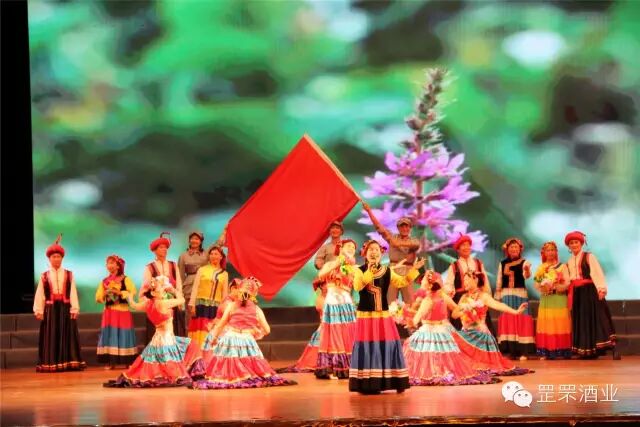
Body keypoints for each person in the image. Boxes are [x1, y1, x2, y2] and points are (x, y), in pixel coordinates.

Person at [191, 277, 297, 389]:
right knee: (252, 363)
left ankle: (234, 376)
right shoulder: (256, 309)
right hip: (247, 339)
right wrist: (256, 332)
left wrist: (214, 339)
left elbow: (221, 325)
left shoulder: (231, 306)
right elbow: (267, 330)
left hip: (230, 339)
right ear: (253, 294)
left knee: (227, 363)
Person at [349, 239, 424, 394]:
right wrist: (370, 270)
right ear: (365, 253)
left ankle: (391, 380)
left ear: (381, 253)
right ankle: (368, 383)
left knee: (388, 344)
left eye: (376, 250)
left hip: (383, 316)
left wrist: (414, 270)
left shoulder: (387, 271)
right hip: (366, 316)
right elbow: (358, 286)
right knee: (368, 347)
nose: (374, 252)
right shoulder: (359, 270)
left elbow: (402, 282)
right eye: (370, 250)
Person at [104, 278, 205, 387]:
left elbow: (134, 305)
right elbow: (182, 300)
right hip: (167, 340)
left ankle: (171, 374)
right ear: (153, 293)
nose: (164, 288)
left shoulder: (148, 304)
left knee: (163, 360)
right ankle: (175, 375)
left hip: (158, 339)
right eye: (161, 287)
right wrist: (174, 290)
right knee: (184, 351)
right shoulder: (163, 303)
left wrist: (129, 297)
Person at [404, 271, 497, 386]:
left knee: (430, 354)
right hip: (442, 330)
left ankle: (434, 373)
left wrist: (405, 318)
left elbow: (415, 320)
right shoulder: (442, 296)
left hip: (430, 330)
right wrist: (468, 309)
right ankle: (443, 372)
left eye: (423, 280)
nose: (421, 281)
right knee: (444, 354)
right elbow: (456, 309)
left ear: (430, 284)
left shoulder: (428, 300)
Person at [450, 270, 532, 376]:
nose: (464, 282)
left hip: (479, 334)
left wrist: (515, 311)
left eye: (467, 280)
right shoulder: (464, 297)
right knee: (452, 341)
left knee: (480, 367)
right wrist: (464, 309)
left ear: (475, 280)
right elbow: (454, 315)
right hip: (466, 332)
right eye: (464, 280)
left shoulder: (483, 296)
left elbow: (498, 305)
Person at [33, 235, 86, 372]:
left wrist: (75, 308)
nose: (56, 259)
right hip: (50, 309)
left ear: (62, 258)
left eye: (58, 257)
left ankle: (68, 362)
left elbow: (72, 292)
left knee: (67, 334)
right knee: (51, 335)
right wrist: (38, 310)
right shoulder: (44, 275)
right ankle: (52, 362)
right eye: (53, 257)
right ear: (49, 259)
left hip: (65, 308)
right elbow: (40, 294)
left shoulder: (69, 274)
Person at [564, 231, 618, 359]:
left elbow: (597, 272)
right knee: (582, 320)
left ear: (581, 243)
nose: (574, 245)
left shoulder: (589, 256)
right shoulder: (569, 261)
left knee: (597, 319)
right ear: (568, 246)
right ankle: (587, 351)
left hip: (589, 292)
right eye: (571, 243)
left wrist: (601, 289)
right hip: (577, 294)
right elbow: (569, 279)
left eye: (576, 242)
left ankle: (613, 348)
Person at [314, 239, 358, 379]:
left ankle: (350, 365)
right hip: (333, 300)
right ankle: (334, 366)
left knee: (348, 331)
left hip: (346, 302)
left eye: (353, 248)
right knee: (334, 331)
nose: (351, 249)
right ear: (341, 248)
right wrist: (338, 263)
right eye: (348, 246)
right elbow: (321, 275)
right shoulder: (330, 264)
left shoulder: (354, 268)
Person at [362, 202, 421, 304]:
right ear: (398, 228)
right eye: (402, 226)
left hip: (407, 270)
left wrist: (397, 243)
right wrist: (369, 211)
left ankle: (409, 314)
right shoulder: (392, 238)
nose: (405, 229)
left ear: (410, 228)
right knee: (390, 300)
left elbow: (412, 245)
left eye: (407, 226)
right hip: (393, 269)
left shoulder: (414, 241)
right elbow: (378, 227)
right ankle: (390, 314)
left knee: (410, 301)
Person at [443, 235, 496, 336]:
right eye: (463, 245)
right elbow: (449, 284)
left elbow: (485, 282)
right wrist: (448, 294)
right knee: (463, 328)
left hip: (478, 299)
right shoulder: (454, 266)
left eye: (468, 245)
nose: (466, 247)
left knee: (481, 326)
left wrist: (488, 297)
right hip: (462, 301)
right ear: (458, 249)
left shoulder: (478, 263)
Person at [495, 238, 536, 360]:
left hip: (520, 294)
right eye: (511, 247)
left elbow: (527, 276)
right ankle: (511, 351)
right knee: (509, 321)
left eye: (516, 247)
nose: (514, 249)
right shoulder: (502, 263)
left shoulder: (524, 262)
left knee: (522, 320)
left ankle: (524, 351)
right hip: (506, 294)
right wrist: (498, 295)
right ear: (507, 249)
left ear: (520, 249)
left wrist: (527, 270)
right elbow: (499, 279)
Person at [95, 254, 138, 368]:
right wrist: (104, 294)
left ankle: (127, 361)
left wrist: (120, 292)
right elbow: (98, 297)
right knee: (110, 335)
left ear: (118, 266)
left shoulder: (125, 279)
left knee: (125, 334)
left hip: (122, 310)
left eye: (112, 263)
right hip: (109, 312)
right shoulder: (104, 281)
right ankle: (111, 361)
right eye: (108, 263)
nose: (109, 265)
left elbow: (133, 291)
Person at [142, 232, 185, 339]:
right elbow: (146, 287)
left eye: (166, 247)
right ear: (155, 250)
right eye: (161, 247)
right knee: (158, 333)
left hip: (172, 303)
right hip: (158, 305)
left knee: (173, 330)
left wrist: (178, 295)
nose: (164, 249)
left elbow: (179, 284)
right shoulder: (150, 267)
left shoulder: (173, 265)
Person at [533, 242, 572, 360]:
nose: (550, 252)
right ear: (544, 253)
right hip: (546, 299)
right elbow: (536, 284)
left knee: (560, 324)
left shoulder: (562, 266)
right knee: (547, 324)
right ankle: (547, 351)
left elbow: (567, 283)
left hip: (559, 298)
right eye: (548, 250)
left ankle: (562, 350)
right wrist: (543, 287)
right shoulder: (541, 268)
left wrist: (555, 286)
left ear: (556, 252)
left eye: (552, 250)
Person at [187, 245, 229, 348]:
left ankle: (210, 354)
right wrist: (192, 304)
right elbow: (195, 287)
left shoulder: (224, 274)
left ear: (221, 257)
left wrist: (224, 309)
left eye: (216, 254)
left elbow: (225, 294)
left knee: (213, 330)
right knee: (200, 330)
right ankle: (198, 353)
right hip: (201, 305)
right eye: (211, 254)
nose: (213, 256)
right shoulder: (202, 270)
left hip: (215, 307)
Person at [178, 231, 208, 326]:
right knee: (190, 315)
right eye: (192, 238)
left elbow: (217, 246)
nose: (194, 241)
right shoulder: (183, 256)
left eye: (197, 239)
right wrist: (181, 292)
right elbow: (180, 275)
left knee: (203, 315)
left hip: (203, 287)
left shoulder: (206, 254)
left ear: (201, 241)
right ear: (189, 240)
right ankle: (189, 334)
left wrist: (224, 233)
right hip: (189, 288)